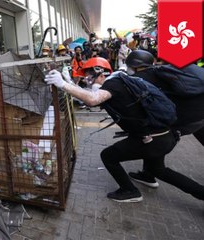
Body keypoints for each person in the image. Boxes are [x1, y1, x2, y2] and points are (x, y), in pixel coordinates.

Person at [44, 57, 204, 202]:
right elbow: (91, 95)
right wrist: (67, 84)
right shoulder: (122, 80)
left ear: (101, 74)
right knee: (158, 169)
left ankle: (130, 191)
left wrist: (62, 84)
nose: (86, 79)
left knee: (108, 156)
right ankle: (159, 180)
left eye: (88, 75)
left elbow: (92, 99)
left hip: (152, 140)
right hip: (164, 135)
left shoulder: (113, 85)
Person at [125, 50, 204, 187]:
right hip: (199, 117)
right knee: (154, 145)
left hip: (181, 121)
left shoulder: (143, 77)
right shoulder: (165, 71)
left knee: (157, 152)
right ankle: (147, 175)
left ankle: (199, 192)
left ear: (135, 65)